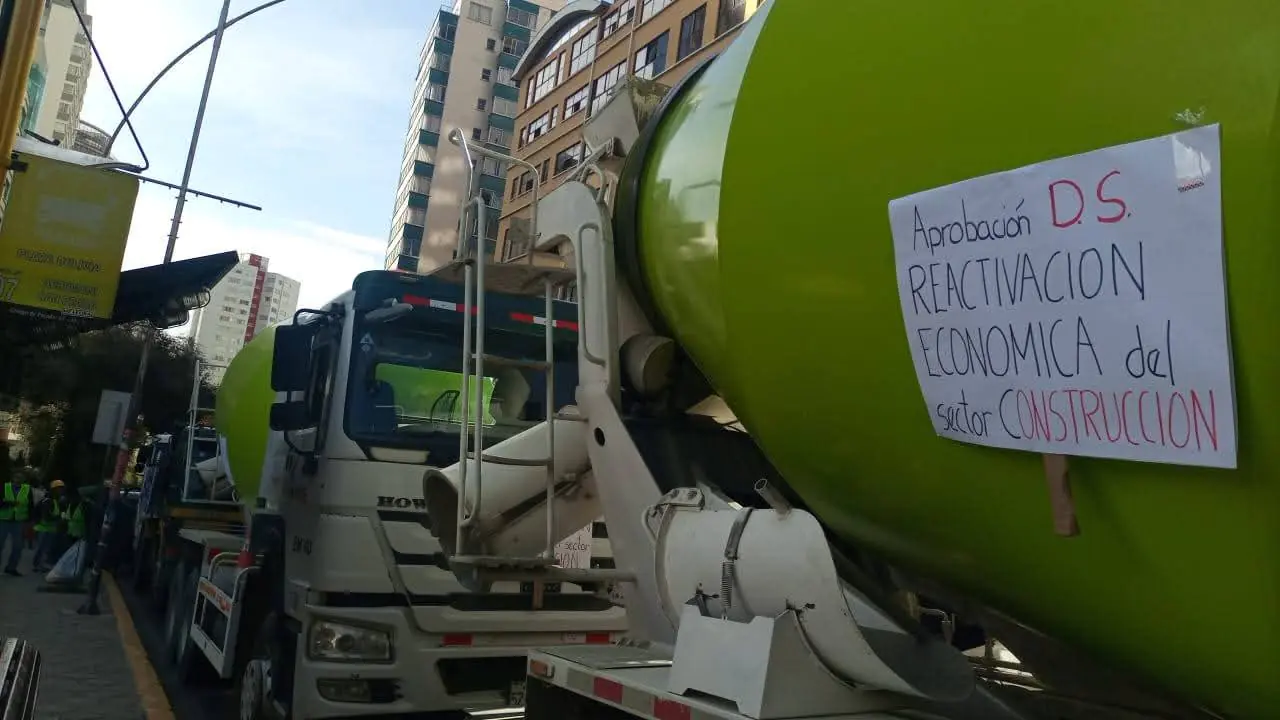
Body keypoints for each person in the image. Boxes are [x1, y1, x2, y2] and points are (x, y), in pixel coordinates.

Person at [0, 469, 35, 576]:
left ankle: (11, 568)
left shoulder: (27, 489)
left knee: (18, 546)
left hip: (18, 521)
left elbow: (30, 505)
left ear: (24, 479)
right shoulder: (4, 487)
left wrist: (30, 521)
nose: (18, 479)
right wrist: (8, 503)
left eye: (21, 477)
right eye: (16, 477)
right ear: (13, 478)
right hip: (3, 519)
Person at [31, 479, 67, 573]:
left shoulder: (57, 501)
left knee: (46, 548)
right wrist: (59, 518)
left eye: (61, 489)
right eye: (58, 489)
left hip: (51, 528)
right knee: (41, 548)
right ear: (53, 490)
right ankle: (37, 565)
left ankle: (41, 564)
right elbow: (46, 517)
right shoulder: (47, 501)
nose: (61, 491)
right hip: (43, 528)